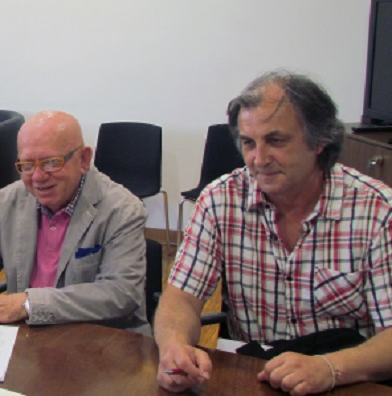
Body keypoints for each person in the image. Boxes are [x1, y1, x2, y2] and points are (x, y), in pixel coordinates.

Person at [154, 70, 392, 395]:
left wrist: (329, 367)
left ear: (319, 141)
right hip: (255, 375)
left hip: (348, 377)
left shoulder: (377, 210)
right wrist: (174, 346)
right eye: (248, 143)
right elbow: (181, 298)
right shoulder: (220, 200)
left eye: (276, 141)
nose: (259, 159)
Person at [0, 111, 151, 335]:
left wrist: (26, 303)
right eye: (26, 165)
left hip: (104, 343)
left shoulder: (122, 210)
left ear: (84, 159)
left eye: (51, 163)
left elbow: (120, 293)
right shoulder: (8, 201)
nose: (37, 177)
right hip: (29, 340)